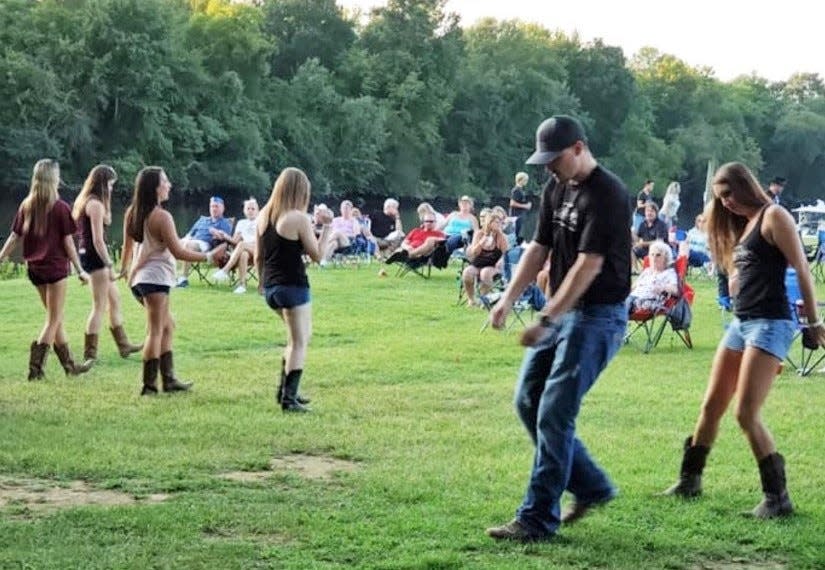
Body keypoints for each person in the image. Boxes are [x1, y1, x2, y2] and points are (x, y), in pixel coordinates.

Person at [486, 115, 631, 542]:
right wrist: (507, 299)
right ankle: (590, 486)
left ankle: (537, 519)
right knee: (528, 400)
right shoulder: (556, 187)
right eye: (543, 160)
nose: (548, 168)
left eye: (555, 159)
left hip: (597, 315)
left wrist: (547, 318)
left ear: (579, 148)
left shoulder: (609, 194)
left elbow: (589, 265)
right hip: (563, 311)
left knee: (554, 411)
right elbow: (538, 248)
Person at [661, 162, 824, 519]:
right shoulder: (745, 224)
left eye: (730, 194)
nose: (727, 203)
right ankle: (690, 480)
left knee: (746, 413)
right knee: (711, 405)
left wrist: (813, 322)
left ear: (745, 186)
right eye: (721, 199)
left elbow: (802, 271)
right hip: (741, 323)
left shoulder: (774, 216)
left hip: (770, 324)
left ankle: (777, 498)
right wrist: (736, 280)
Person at [121, 167, 215, 396]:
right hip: (155, 280)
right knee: (155, 331)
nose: (169, 184)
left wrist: (125, 271)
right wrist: (209, 256)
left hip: (140, 280)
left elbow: (127, 248)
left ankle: (169, 379)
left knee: (168, 325)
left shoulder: (132, 212)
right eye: (165, 181)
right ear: (155, 187)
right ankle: (150, 386)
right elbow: (179, 252)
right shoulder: (162, 217)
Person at [0, 159, 92, 379]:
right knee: (53, 319)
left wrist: (2, 256)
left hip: (35, 269)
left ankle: (70, 366)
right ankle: (35, 369)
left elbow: (15, 236)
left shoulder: (26, 205)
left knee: (55, 318)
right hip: (56, 269)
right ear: (53, 178)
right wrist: (80, 269)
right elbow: (69, 243)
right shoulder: (60, 207)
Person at [257, 167, 331, 413]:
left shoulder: (264, 216)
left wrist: (260, 282)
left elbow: (259, 255)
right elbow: (318, 256)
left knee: (294, 338)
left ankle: (285, 391)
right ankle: (288, 399)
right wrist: (328, 227)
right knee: (300, 341)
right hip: (293, 286)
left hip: (271, 287)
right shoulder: (296, 218)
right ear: (301, 191)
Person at [72, 164, 142, 364]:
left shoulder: (88, 201)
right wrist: (110, 264)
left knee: (115, 300)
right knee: (99, 306)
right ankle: (90, 354)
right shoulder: (94, 204)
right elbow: (97, 240)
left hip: (91, 254)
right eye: (111, 185)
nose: (112, 189)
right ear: (103, 184)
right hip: (95, 257)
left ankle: (124, 345)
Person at [176, 196, 233, 287]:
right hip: (191, 240)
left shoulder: (225, 222)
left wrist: (217, 233)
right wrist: (181, 241)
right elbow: (190, 233)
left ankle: (183, 279)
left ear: (223, 208)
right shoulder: (202, 220)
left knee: (189, 245)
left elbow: (225, 241)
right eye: (212, 206)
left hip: (206, 246)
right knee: (170, 244)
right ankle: (167, 276)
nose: (214, 209)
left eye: (216, 206)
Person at [462, 211, 509, 307]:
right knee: (467, 272)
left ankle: (485, 300)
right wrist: (481, 243)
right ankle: (471, 300)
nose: (498, 224)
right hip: (478, 263)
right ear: (489, 223)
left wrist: (501, 260)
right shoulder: (479, 234)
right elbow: (474, 253)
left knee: (485, 273)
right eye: (496, 222)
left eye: (499, 222)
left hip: (493, 265)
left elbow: (506, 254)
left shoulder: (501, 237)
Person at [212, 197, 259, 294]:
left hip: (259, 249)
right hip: (246, 250)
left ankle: (225, 270)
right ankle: (242, 285)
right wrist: (224, 235)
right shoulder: (241, 223)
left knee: (242, 244)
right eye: (248, 209)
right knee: (243, 254)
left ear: (257, 210)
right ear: (244, 210)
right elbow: (234, 241)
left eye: (253, 209)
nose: (250, 211)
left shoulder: (261, 221)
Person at [625, 240, 678, 314]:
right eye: (652, 255)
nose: (654, 258)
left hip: (646, 301)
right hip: (632, 299)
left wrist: (663, 287)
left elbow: (676, 290)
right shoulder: (647, 271)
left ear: (666, 258)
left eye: (658, 255)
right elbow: (633, 287)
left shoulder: (669, 273)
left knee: (622, 304)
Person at [509, 171, 532, 242]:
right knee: (515, 233)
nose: (526, 182)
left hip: (519, 215)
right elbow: (512, 203)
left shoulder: (520, 190)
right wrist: (525, 206)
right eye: (525, 180)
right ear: (521, 180)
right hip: (515, 216)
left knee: (519, 232)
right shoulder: (516, 190)